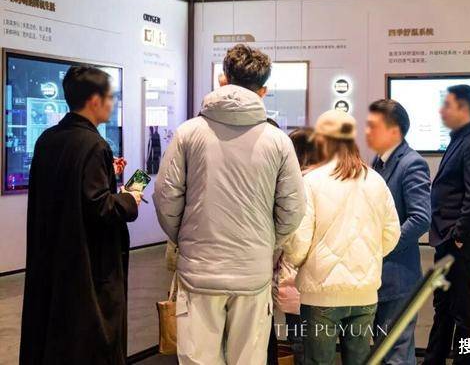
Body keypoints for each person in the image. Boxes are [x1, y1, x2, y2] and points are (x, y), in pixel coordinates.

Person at [153, 44, 306, 365]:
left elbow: (166, 196)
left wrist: (186, 238)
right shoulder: (278, 141)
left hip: (199, 272)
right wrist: (267, 242)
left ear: (223, 79)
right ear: (263, 90)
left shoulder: (188, 133)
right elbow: (293, 209)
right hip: (252, 272)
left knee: (198, 359)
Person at [20, 65, 142, 365]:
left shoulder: (47, 139)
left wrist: (106, 172)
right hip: (86, 268)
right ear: (94, 100)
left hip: (52, 260)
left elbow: (67, 188)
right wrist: (130, 198)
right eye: (110, 97)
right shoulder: (94, 144)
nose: (112, 104)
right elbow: (101, 208)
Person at [284, 110, 401, 365]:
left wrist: (299, 262)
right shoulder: (376, 180)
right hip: (365, 294)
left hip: (321, 295)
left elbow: (298, 241)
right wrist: (368, 257)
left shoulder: (311, 181)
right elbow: (392, 233)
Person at [424, 85, 470, 365]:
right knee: (443, 305)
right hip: (447, 238)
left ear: (463, 108)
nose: (442, 111)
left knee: (463, 311)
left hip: (460, 241)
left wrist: (459, 235)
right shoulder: (459, 139)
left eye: (447, 105)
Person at [365, 99, 432, 365]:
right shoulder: (379, 161)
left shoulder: (412, 163)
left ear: (394, 131)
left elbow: (420, 218)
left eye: (374, 126)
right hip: (380, 275)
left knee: (397, 354)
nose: (367, 131)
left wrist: (383, 246)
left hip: (398, 276)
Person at [271, 127, 320, 365]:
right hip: (325, 278)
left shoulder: (297, 186)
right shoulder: (329, 181)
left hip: (296, 276)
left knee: (299, 341)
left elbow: (290, 237)